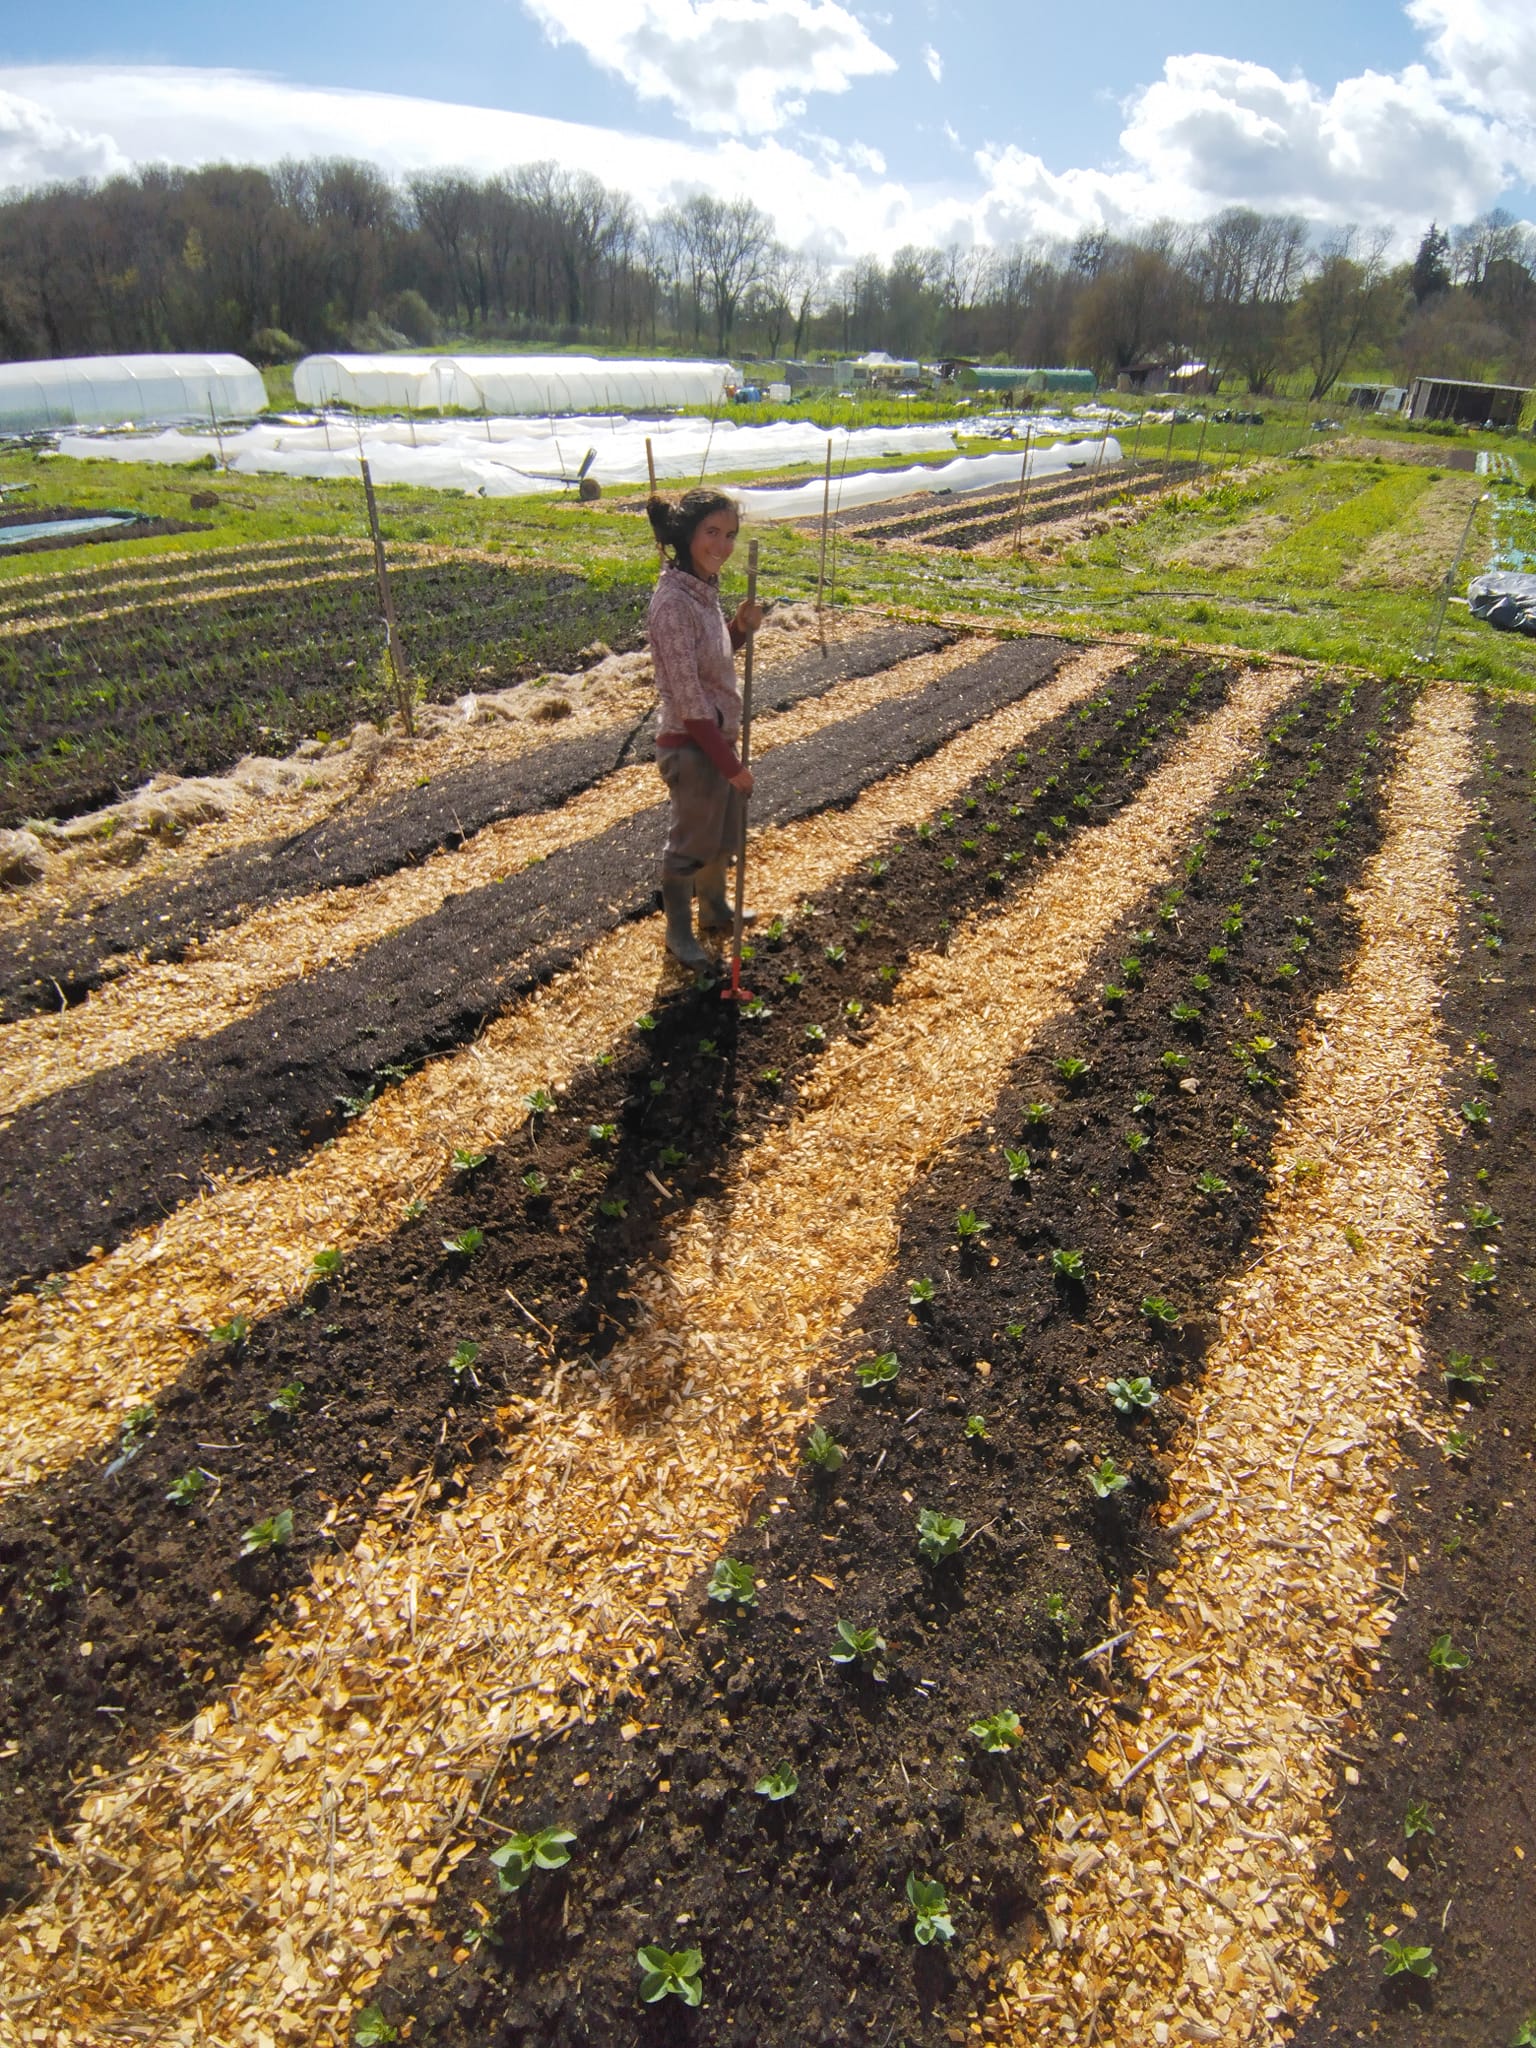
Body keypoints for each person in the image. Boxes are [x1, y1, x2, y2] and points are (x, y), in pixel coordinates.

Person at [646, 487, 766, 970]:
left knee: (720, 836)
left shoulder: (703, 589)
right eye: (712, 533)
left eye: (731, 535)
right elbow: (692, 703)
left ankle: (714, 909)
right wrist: (731, 766)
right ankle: (678, 932)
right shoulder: (673, 603)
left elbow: (710, 664)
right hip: (692, 746)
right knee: (690, 845)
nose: (723, 545)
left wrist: (737, 627)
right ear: (687, 535)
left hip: (715, 738)